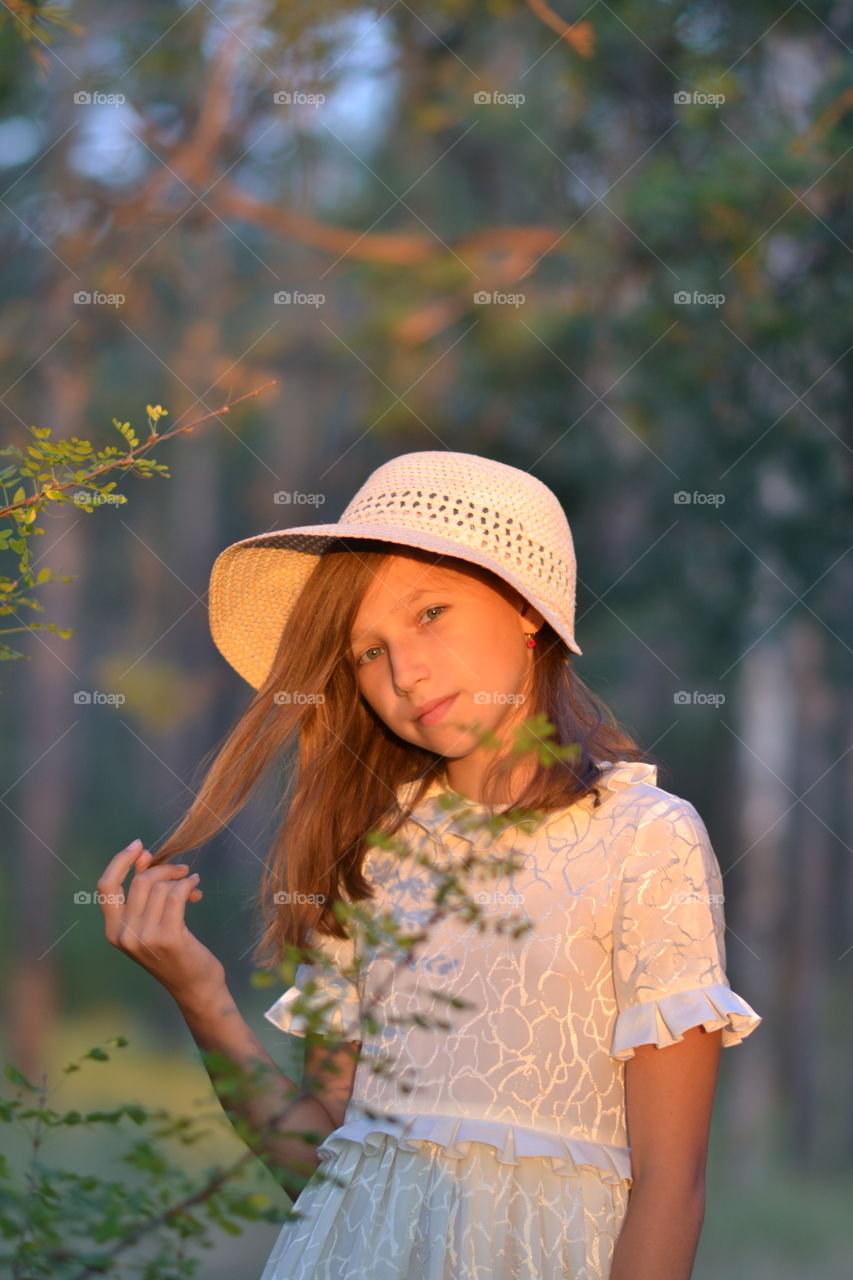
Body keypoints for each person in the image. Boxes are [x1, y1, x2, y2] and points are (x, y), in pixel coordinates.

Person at [97, 450, 762, 1279]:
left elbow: (673, 1184)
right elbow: (319, 1166)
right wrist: (200, 995)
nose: (403, 673)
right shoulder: (368, 852)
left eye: (430, 613)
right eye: (366, 652)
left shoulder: (643, 838)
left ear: (525, 606)